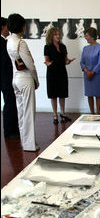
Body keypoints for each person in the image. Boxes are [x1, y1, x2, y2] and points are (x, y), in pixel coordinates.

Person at [6, 13, 39, 151]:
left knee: (21, 112)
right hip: (25, 79)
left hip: (16, 79)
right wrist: (36, 80)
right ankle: (30, 144)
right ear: (21, 26)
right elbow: (30, 64)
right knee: (29, 112)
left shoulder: (9, 41)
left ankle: (25, 141)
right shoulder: (21, 43)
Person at [44, 27, 75, 124]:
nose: (58, 36)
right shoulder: (47, 47)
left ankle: (63, 113)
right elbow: (47, 60)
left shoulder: (63, 46)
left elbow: (65, 60)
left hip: (62, 72)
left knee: (62, 94)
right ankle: (55, 115)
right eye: (55, 34)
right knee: (53, 95)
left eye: (58, 34)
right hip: (52, 73)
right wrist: (48, 63)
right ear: (51, 36)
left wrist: (68, 61)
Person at [1, 17, 20, 139]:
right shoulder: (2, 43)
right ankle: (9, 132)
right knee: (9, 103)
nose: (9, 29)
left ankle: (12, 129)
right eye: (7, 26)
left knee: (10, 102)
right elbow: (5, 62)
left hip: (5, 76)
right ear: (2, 27)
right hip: (5, 77)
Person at [80, 27, 100, 115]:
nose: (85, 37)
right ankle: (92, 113)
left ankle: (98, 113)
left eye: (86, 35)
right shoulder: (85, 48)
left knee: (97, 94)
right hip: (87, 75)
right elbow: (82, 62)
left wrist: (93, 72)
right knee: (89, 94)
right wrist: (87, 72)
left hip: (96, 74)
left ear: (92, 36)